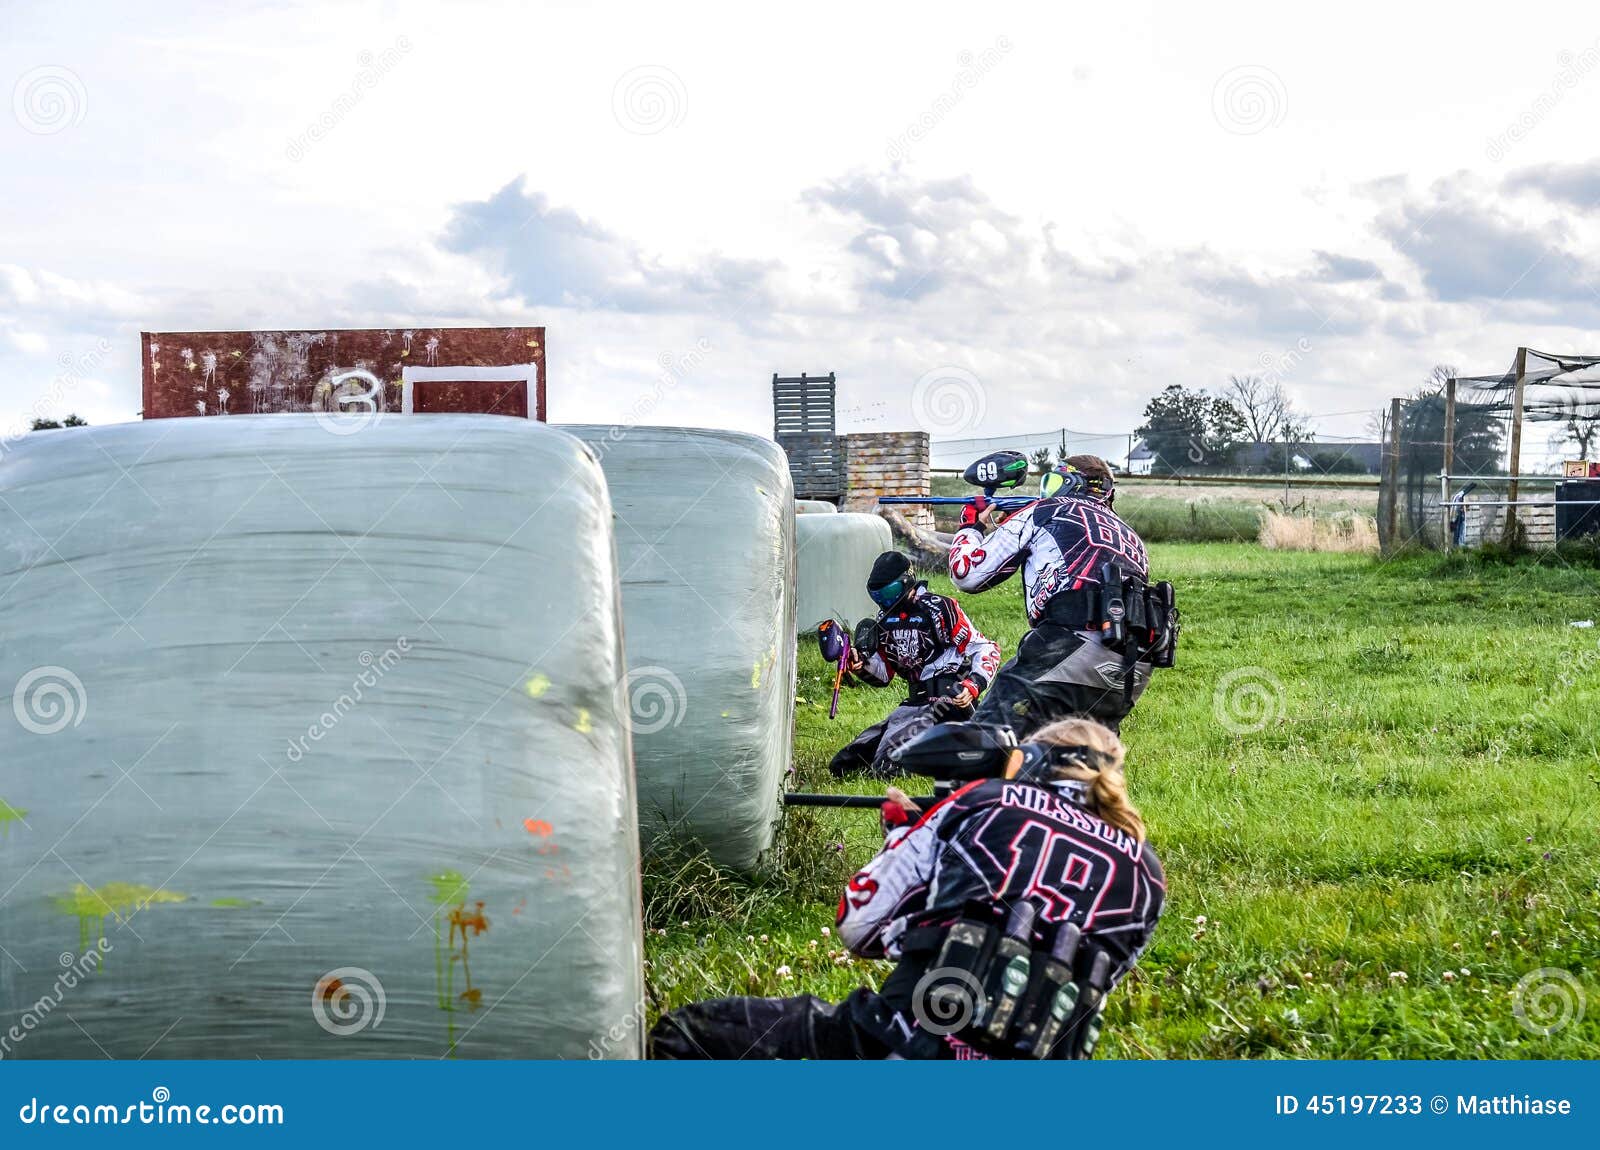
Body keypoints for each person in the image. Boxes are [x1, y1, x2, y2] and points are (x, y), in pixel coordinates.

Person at [649, 718, 1165, 1059]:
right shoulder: (1148, 876)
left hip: (901, 1041)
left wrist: (904, 834)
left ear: (1030, 764)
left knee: (686, 1035)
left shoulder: (982, 802)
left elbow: (859, 927)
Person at [947, 454, 1175, 738]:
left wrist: (971, 528)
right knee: (1078, 766)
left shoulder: (1046, 510)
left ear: (1071, 483)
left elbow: (966, 575)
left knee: (986, 741)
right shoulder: (1131, 537)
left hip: (1067, 648)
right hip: (1131, 669)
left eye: (1054, 482)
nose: (1047, 492)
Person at [828, 551, 1001, 779]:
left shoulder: (940, 608)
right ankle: (938, 752)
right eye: (877, 596)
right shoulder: (884, 620)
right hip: (913, 705)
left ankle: (957, 753)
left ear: (907, 581)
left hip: (946, 703)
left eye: (889, 593)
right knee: (843, 765)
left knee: (887, 766)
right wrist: (861, 666)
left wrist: (973, 684)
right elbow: (883, 675)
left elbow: (985, 648)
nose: (884, 601)